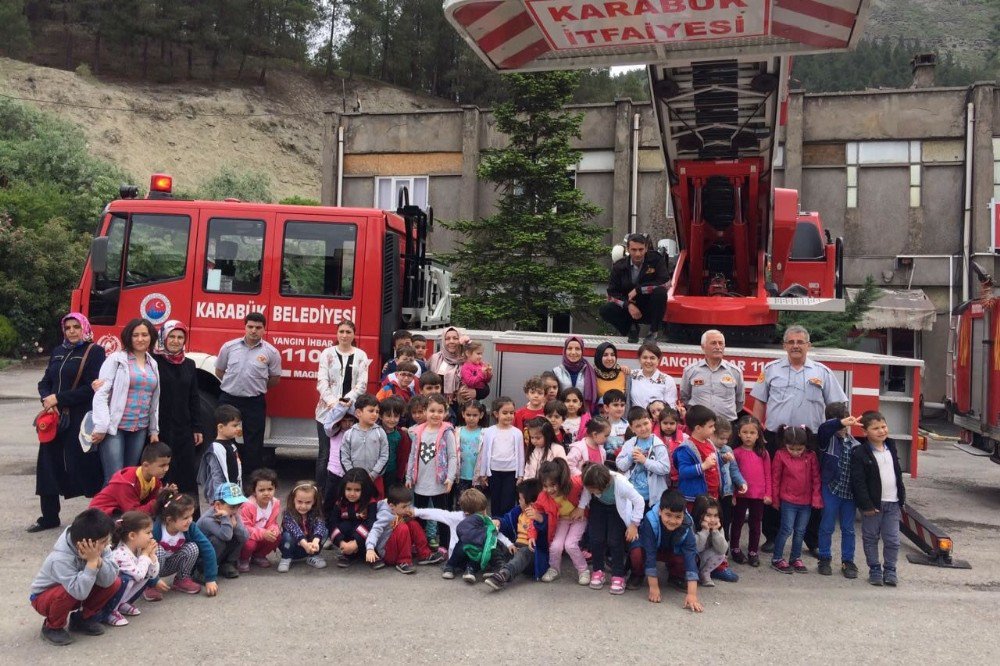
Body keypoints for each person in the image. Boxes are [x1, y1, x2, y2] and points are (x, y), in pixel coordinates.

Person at [750, 324, 847, 553]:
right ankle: (772, 536)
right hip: (777, 437)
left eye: (800, 342)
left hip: (810, 440)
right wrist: (755, 433)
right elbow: (759, 403)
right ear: (784, 346)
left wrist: (840, 431)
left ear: (808, 346)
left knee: (812, 487)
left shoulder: (822, 372)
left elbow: (836, 405)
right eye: (791, 342)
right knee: (773, 486)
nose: (795, 346)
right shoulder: (771, 370)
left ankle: (811, 540)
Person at [32, 312, 106, 532]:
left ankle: (97, 516)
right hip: (54, 418)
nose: (72, 331)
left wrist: (60, 398)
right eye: (68, 328)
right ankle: (49, 516)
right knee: (47, 464)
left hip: (79, 418)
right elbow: (45, 381)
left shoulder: (94, 352)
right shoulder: (58, 351)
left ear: (84, 328)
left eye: (76, 327)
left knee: (85, 465)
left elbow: (92, 388)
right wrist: (47, 398)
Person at [29, 508, 122, 645]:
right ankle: (52, 627)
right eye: (103, 541)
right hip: (45, 598)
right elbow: (78, 592)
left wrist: (98, 560)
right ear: (84, 544)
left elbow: (108, 580)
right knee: (65, 592)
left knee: (115, 582)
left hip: (76, 592)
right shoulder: (60, 559)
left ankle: (82, 619)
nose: (107, 544)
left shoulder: (99, 544)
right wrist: (91, 563)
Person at [91, 318, 161, 485]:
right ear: (128, 337)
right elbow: (101, 394)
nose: (140, 339)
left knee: (131, 477)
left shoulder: (153, 363)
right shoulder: (117, 359)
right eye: (135, 335)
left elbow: (154, 400)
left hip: (139, 428)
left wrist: (153, 430)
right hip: (115, 428)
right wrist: (101, 426)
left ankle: (125, 512)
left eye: (144, 335)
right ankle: (106, 511)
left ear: (151, 337)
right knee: (114, 478)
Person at [214, 312, 282, 477]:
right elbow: (219, 371)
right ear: (245, 327)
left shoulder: (271, 352)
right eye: (250, 327)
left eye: (258, 328)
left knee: (254, 445)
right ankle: (224, 474)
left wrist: (254, 387)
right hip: (229, 399)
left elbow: (274, 379)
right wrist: (236, 385)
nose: (253, 331)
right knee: (224, 439)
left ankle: (250, 480)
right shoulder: (229, 347)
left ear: (264, 329)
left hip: (254, 401)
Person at [851, 411, 906, 587]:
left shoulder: (891, 446)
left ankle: (890, 570)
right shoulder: (860, 452)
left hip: (893, 502)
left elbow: (897, 475)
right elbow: (858, 482)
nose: (881, 431)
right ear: (865, 432)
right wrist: (866, 504)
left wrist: (901, 498)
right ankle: (874, 568)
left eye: (883, 426)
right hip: (873, 506)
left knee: (892, 539)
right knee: (870, 537)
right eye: (875, 428)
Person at [153, 320, 202, 510]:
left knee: (186, 473)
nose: (175, 341)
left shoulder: (189, 364)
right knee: (164, 472)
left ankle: (190, 517)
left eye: (180, 337)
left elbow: (194, 397)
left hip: (184, 427)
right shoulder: (154, 362)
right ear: (163, 337)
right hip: (160, 426)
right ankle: (162, 517)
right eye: (171, 336)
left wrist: (197, 427)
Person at [315, 320, 370, 489]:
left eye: (348, 332)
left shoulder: (361, 355)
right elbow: (322, 381)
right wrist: (333, 402)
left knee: (349, 453)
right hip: (326, 412)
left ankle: (345, 493)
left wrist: (346, 402)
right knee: (325, 454)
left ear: (354, 334)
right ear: (337, 333)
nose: (344, 335)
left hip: (351, 412)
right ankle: (321, 494)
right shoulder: (327, 353)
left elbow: (362, 384)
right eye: (341, 332)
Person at [578, 463, 644, 594]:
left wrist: (634, 524)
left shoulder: (621, 484)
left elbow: (639, 501)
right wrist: (581, 507)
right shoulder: (591, 480)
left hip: (616, 509)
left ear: (605, 485)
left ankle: (618, 575)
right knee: (596, 539)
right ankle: (598, 571)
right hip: (598, 506)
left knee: (614, 541)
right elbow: (586, 490)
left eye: (593, 490)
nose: (590, 491)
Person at [406, 394, 458, 550]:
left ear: (445, 413)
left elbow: (453, 456)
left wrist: (450, 477)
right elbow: (413, 454)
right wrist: (409, 476)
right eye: (432, 410)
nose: (436, 414)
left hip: (439, 483)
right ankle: (420, 544)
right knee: (420, 515)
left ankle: (443, 545)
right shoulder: (418, 431)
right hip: (421, 482)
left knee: (441, 515)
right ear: (425, 411)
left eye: (440, 411)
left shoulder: (447, 432)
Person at [816, 403, 861, 579]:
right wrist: (839, 422)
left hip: (849, 494)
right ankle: (824, 558)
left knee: (848, 529)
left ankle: (848, 561)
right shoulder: (827, 440)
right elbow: (824, 429)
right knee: (826, 526)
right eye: (841, 420)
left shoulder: (855, 444)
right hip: (831, 489)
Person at [146, 490, 218, 600]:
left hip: (171, 564)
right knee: (156, 549)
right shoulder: (157, 530)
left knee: (193, 547)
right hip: (155, 567)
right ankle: (150, 586)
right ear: (169, 520)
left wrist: (210, 579)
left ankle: (182, 579)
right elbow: (143, 556)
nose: (190, 520)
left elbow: (207, 548)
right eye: (185, 518)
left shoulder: (190, 527)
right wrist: (153, 580)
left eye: (191, 516)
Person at [638, 490, 702, 612]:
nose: (673, 521)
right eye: (668, 515)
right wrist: (654, 587)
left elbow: (690, 557)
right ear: (660, 511)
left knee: (693, 558)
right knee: (637, 554)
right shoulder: (650, 521)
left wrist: (692, 595)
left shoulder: (687, 525)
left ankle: (675, 576)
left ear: (684, 515)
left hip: (672, 551)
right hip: (652, 549)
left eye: (678, 517)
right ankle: (638, 574)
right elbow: (650, 554)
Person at [770, 426, 822, 574]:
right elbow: (775, 478)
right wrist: (775, 499)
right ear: (785, 445)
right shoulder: (780, 455)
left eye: (799, 449)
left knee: (800, 531)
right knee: (786, 529)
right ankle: (777, 558)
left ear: (805, 445)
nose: (796, 452)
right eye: (791, 449)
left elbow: (816, 478)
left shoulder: (811, 456)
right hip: (788, 500)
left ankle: (795, 558)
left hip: (805, 501)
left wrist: (816, 498)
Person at [600, 233, 669, 343]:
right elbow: (612, 294)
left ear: (646, 248)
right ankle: (631, 329)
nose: (638, 254)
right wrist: (628, 305)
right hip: (629, 309)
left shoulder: (656, 260)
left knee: (660, 292)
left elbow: (664, 283)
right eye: (634, 250)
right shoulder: (619, 266)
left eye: (641, 249)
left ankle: (653, 333)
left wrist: (639, 289)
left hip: (650, 308)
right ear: (628, 249)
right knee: (605, 309)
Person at [365, 485, 445, 574]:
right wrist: (370, 548)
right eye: (404, 507)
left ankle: (424, 554)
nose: (407, 509)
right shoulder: (385, 514)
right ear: (392, 506)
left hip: (398, 546)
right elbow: (375, 530)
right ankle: (403, 561)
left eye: (408, 506)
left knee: (413, 524)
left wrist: (415, 512)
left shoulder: (400, 509)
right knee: (403, 527)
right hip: (387, 553)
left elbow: (415, 511)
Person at [485, 479, 545, 591]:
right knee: (495, 543)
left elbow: (546, 535)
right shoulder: (519, 512)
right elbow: (507, 521)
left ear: (531, 503)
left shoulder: (541, 516)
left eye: (520, 499)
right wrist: (499, 522)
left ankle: (504, 574)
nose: (519, 501)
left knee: (524, 552)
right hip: (516, 547)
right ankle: (499, 567)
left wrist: (540, 520)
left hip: (532, 554)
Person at [535, 459, 589, 585]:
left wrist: (581, 507)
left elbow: (587, 479)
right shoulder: (543, 496)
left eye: (553, 485)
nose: (549, 490)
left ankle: (583, 570)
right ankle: (554, 569)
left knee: (570, 545)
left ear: (561, 481)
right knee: (555, 546)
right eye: (545, 486)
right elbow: (536, 511)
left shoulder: (574, 484)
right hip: (562, 521)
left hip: (579, 519)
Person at [100, 511, 158, 627]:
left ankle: (121, 603)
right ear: (132, 536)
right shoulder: (121, 553)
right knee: (127, 579)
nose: (151, 536)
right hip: (105, 594)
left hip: (121, 588)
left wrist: (152, 557)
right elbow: (138, 575)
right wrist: (145, 555)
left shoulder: (138, 549)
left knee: (145, 574)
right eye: (147, 532)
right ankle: (110, 611)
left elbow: (152, 575)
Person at [443, 489, 513, 583]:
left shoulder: (486, 520)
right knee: (462, 545)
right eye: (481, 512)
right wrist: (418, 512)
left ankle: (470, 570)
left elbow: (494, 533)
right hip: (461, 554)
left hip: (477, 553)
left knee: (483, 548)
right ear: (467, 513)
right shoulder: (459, 519)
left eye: (485, 509)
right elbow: (439, 514)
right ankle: (450, 566)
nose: (485, 513)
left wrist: (509, 544)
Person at [730, 415, 771, 567]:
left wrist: (768, 494)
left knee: (755, 524)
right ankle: (735, 548)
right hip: (741, 495)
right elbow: (733, 475)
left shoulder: (763, 453)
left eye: (752, 433)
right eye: (745, 432)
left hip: (758, 495)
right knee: (738, 523)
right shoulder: (735, 453)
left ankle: (753, 551)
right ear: (739, 433)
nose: (748, 436)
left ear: (758, 434)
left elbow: (768, 474)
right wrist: (733, 495)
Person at [680, 329, 745, 425]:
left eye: (721, 343)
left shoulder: (735, 372)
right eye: (713, 343)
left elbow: (739, 401)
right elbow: (685, 397)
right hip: (699, 425)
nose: (718, 347)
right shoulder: (690, 371)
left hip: (726, 426)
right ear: (703, 347)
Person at [89, 442, 172, 516]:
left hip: (122, 511)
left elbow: (150, 503)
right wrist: (158, 501)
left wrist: (165, 494)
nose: (166, 469)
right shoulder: (127, 483)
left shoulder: (155, 480)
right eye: (162, 466)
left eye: (168, 465)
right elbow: (133, 514)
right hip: (100, 514)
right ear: (146, 466)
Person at [476, 397, 524, 516]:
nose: (509, 416)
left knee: (508, 502)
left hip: (511, 472)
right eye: (505, 413)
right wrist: (483, 473)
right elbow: (485, 453)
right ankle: (495, 526)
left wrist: (521, 475)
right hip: (494, 471)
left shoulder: (517, 432)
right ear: (496, 414)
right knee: (495, 500)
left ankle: (506, 527)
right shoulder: (489, 431)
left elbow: (520, 454)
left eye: (511, 413)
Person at [616, 407, 671, 509]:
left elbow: (665, 468)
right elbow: (620, 465)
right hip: (632, 497)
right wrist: (630, 457)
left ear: (651, 422)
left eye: (645, 423)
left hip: (653, 498)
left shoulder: (658, 445)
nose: (643, 428)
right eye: (638, 426)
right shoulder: (629, 444)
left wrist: (645, 461)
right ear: (632, 428)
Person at [328, 468, 379, 568]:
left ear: (364, 489)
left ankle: (370, 553)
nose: (352, 493)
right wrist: (341, 542)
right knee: (344, 525)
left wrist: (356, 543)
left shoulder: (370, 502)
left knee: (372, 528)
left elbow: (371, 523)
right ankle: (347, 553)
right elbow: (332, 523)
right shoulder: (340, 502)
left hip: (364, 537)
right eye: (348, 489)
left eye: (357, 490)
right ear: (343, 488)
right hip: (346, 538)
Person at [196, 482, 249, 580]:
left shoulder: (233, 514)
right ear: (218, 505)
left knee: (239, 536)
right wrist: (225, 519)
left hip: (218, 553)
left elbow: (245, 537)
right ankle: (201, 570)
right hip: (202, 556)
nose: (235, 511)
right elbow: (226, 536)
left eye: (238, 506)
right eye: (232, 507)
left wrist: (236, 526)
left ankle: (227, 563)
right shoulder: (207, 519)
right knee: (217, 541)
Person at [673, 405, 722, 506]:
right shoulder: (686, 448)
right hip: (695, 499)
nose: (714, 429)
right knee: (697, 520)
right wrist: (703, 466)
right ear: (698, 428)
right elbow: (683, 471)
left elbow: (713, 465)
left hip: (713, 494)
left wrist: (723, 459)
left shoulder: (709, 443)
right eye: (710, 426)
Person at [339, 394, 389, 492]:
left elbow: (384, 456)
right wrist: (353, 476)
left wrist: (373, 474)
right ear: (358, 413)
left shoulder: (380, 432)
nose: (375, 414)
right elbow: (344, 457)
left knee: (374, 505)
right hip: (354, 482)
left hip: (375, 479)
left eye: (377, 411)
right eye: (371, 411)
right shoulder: (349, 434)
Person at [196, 404, 243, 507]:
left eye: (239, 425)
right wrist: (219, 499)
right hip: (221, 497)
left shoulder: (232, 445)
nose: (238, 428)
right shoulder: (216, 448)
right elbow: (216, 474)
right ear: (220, 427)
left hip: (232, 492)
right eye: (234, 425)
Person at [277, 481, 328, 573]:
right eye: (299, 502)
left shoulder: (316, 513)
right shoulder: (288, 513)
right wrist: (305, 544)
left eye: (308, 502)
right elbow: (295, 530)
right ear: (293, 499)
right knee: (286, 536)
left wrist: (315, 542)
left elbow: (320, 526)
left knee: (325, 531)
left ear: (314, 502)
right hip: (293, 546)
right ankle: (286, 558)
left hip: (311, 547)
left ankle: (313, 556)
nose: (303, 506)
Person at [238, 468, 281, 572]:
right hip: (248, 537)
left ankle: (258, 556)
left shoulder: (275, 503)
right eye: (261, 490)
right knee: (249, 544)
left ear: (275, 489)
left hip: (262, 534)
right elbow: (245, 528)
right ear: (254, 491)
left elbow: (272, 522)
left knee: (277, 535)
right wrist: (263, 533)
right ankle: (243, 559)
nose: (266, 493)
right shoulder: (248, 505)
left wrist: (273, 529)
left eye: (270, 489)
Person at [711, 419, 747, 538]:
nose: (724, 441)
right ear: (712, 434)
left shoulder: (728, 449)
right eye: (721, 438)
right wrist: (722, 459)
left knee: (726, 521)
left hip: (727, 493)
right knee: (712, 521)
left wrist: (741, 482)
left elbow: (734, 469)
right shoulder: (709, 449)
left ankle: (724, 549)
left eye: (727, 439)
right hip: (713, 492)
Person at [429, 326, 483, 406]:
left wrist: (477, 393)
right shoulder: (435, 358)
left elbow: (484, 385)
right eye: (447, 338)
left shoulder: (469, 359)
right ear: (443, 340)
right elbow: (426, 381)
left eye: (455, 338)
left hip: (463, 407)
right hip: (438, 406)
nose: (451, 341)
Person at [692, 495, 736, 586]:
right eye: (708, 515)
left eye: (715, 515)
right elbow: (695, 548)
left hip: (704, 559)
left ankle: (705, 573)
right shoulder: (691, 525)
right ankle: (691, 574)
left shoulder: (718, 527)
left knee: (721, 553)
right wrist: (704, 531)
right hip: (692, 558)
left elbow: (723, 549)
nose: (712, 520)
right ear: (699, 514)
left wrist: (715, 531)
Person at [552, 336, 598, 413]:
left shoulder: (590, 371)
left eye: (577, 349)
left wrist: (620, 368)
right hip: (561, 416)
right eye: (569, 348)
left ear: (582, 351)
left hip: (583, 416)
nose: (573, 352)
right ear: (565, 350)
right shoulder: (556, 372)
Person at [629, 343, 677, 411]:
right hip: (634, 420)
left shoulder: (668, 380)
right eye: (645, 357)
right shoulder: (631, 375)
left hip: (657, 420)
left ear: (658, 360)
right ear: (639, 359)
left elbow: (671, 409)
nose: (648, 361)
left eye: (652, 358)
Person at [379, 396, 412, 490]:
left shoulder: (401, 436)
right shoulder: (375, 432)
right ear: (381, 416)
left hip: (392, 472)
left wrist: (400, 477)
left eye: (396, 416)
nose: (392, 420)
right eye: (388, 416)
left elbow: (403, 458)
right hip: (376, 473)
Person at [456, 400, 486, 499]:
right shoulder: (457, 432)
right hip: (461, 476)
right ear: (463, 414)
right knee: (461, 503)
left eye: (475, 415)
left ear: (481, 415)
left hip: (477, 477)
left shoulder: (484, 433)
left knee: (476, 504)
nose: (471, 418)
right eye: (468, 415)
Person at [602, 389, 630, 459]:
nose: (619, 408)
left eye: (622, 405)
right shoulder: (600, 426)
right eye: (615, 405)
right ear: (606, 407)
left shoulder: (629, 425)